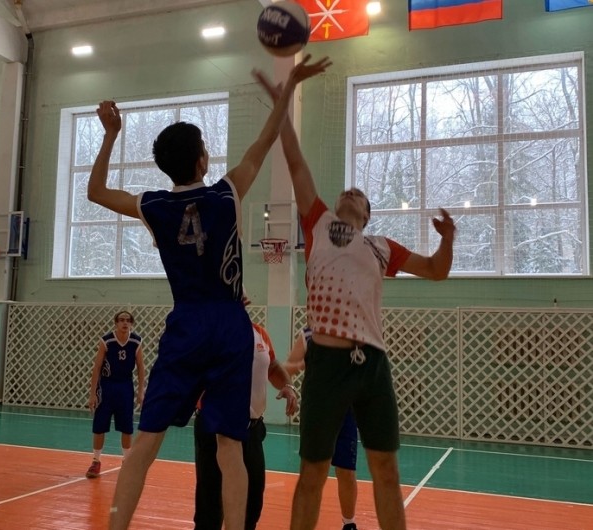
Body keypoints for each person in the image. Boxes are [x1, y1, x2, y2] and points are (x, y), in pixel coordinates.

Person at [86, 54, 331, 530]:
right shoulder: (226, 193)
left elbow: (96, 191)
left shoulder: (154, 206)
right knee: (229, 446)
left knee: (147, 441)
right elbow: (263, 143)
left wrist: (111, 135)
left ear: (166, 167)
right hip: (229, 323)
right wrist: (287, 91)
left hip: (187, 323)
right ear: (202, 159)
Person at [256, 76, 455, 530]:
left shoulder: (382, 247)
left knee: (386, 470)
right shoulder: (318, 223)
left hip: (373, 365)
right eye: (345, 190)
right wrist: (282, 104)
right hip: (327, 365)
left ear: (366, 215)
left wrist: (448, 240)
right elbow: (295, 159)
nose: (349, 193)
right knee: (313, 474)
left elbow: (436, 270)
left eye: (358, 195)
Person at [194, 296, 298, 530]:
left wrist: (287, 385)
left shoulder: (259, 333)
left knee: (252, 499)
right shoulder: (209, 333)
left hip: (251, 430)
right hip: (215, 427)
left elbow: (272, 366)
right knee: (210, 502)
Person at [284, 327, 358, 530]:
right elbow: (287, 367)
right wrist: (296, 369)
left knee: (347, 471)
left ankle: (349, 523)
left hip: (346, 411)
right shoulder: (309, 335)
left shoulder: (353, 334)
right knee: (312, 473)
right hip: (316, 413)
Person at [85, 310, 145, 478]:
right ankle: (96, 461)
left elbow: (141, 367)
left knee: (126, 426)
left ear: (131, 323)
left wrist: (141, 391)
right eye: (121, 320)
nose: (125, 323)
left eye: (128, 320)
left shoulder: (136, 341)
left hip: (125, 386)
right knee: (100, 425)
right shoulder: (107, 341)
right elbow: (97, 367)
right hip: (107, 385)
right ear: (116, 323)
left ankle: (127, 461)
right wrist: (92, 394)